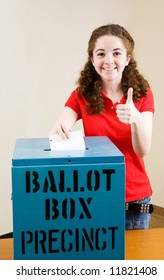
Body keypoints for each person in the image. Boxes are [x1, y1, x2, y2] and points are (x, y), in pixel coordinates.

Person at [50, 24, 155, 230]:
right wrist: (60, 128)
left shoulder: (143, 94)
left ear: (127, 58)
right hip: (94, 195)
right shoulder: (82, 95)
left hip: (133, 199)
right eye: (101, 54)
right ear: (92, 60)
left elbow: (143, 150)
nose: (108, 61)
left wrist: (136, 119)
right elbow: (59, 126)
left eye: (116, 53)